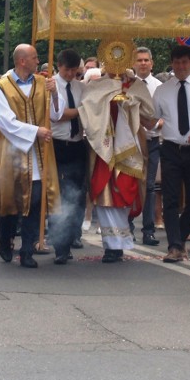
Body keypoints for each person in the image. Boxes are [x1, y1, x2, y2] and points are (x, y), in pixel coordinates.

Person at [0, 44, 61, 268]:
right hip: (12, 153)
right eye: (35, 58)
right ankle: (5, 238)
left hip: (38, 155)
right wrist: (35, 131)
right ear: (22, 61)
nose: (39, 62)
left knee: (36, 201)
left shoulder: (42, 83)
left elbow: (55, 114)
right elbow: (6, 122)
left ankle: (27, 250)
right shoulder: (2, 87)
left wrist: (55, 93)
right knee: (11, 201)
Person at [80, 43, 157, 263]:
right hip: (103, 148)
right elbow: (87, 110)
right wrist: (105, 105)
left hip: (129, 145)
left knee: (125, 190)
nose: (117, 64)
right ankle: (111, 245)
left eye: (121, 59)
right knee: (105, 195)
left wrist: (130, 104)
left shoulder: (135, 85)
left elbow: (150, 114)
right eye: (112, 59)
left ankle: (122, 240)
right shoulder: (97, 85)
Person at [152, 45, 190, 263]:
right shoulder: (162, 90)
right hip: (170, 147)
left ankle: (179, 236)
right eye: (177, 63)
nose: (181, 67)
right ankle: (175, 246)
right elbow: (153, 120)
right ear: (172, 64)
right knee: (170, 198)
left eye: (185, 62)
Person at [48, 49, 88, 264]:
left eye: (75, 70)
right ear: (58, 66)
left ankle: (73, 234)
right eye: (67, 70)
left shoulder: (81, 87)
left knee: (78, 195)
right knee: (59, 196)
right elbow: (57, 116)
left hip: (77, 144)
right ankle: (60, 245)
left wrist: (77, 111)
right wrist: (80, 110)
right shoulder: (50, 85)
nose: (71, 74)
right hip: (57, 145)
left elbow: (89, 110)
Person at [132, 47, 162, 246]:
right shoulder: (127, 84)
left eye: (146, 60)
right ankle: (127, 229)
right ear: (133, 63)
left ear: (152, 63)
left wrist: (158, 123)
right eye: (139, 60)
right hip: (131, 142)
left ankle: (148, 230)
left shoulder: (160, 87)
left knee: (150, 187)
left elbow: (166, 113)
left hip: (152, 141)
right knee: (130, 185)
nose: (143, 63)